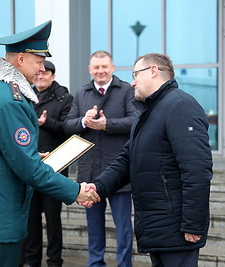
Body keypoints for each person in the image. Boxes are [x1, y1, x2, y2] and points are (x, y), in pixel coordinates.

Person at [0, 20, 99, 267]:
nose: (42, 68)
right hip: (1, 207)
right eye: (39, 61)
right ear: (21, 59)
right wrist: (76, 190)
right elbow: (29, 170)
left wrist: (31, 154)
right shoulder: (10, 101)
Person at [87, 53, 213, 267]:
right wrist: (98, 188)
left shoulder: (180, 106)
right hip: (157, 227)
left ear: (153, 71)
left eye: (136, 74)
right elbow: (127, 159)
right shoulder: (147, 113)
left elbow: (197, 170)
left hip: (177, 229)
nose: (133, 82)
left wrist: (193, 224)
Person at [64, 50, 138, 267]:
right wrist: (84, 122)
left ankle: (125, 264)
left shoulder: (125, 90)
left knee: (123, 227)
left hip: (118, 173)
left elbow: (136, 120)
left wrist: (107, 124)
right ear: (90, 70)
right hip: (89, 172)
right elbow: (68, 125)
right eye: (96, 67)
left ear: (113, 67)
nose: (101, 71)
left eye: (104, 66)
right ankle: (95, 264)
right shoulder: (81, 93)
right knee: (94, 227)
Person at [20, 60, 73, 267]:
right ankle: (31, 260)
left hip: (54, 168)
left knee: (53, 219)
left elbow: (69, 129)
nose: (41, 77)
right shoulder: (25, 96)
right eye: (39, 73)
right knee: (31, 219)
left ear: (53, 76)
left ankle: (54, 261)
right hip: (31, 167)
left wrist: (46, 123)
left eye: (46, 74)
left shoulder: (65, 98)